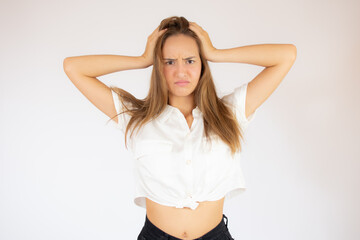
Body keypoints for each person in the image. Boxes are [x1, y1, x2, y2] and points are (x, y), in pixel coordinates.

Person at [63, 16, 296, 240]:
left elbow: (286, 55)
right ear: (158, 67)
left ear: (202, 64)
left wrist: (215, 53)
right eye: (169, 62)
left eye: (190, 60)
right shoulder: (136, 118)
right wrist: (143, 59)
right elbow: (73, 67)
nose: (181, 71)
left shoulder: (229, 112)